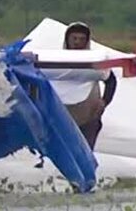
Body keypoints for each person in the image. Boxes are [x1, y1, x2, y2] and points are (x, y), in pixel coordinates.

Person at [44, 21, 117, 149]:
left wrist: (104, 102)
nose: (77, 42)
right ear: (67, 39)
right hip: (61, 114)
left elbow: (111, 81)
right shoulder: (55, 60)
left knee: (86, 149)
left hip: (89, 115)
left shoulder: (95, 61)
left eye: (82, 39)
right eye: (74, 38)